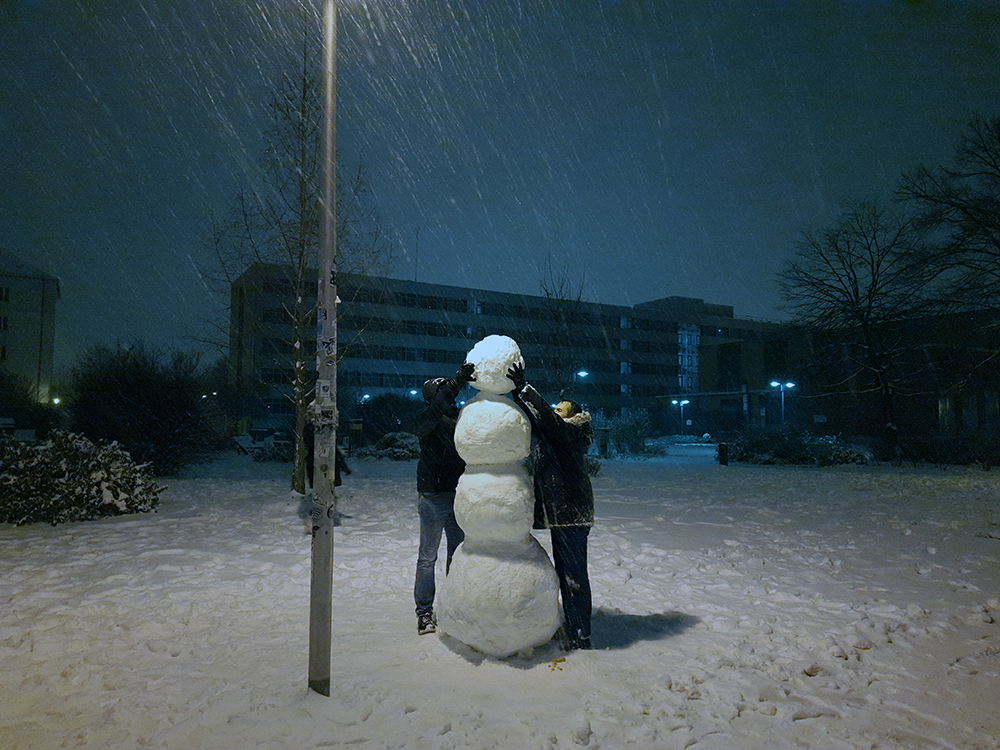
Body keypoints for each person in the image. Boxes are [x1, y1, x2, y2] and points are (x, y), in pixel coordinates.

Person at [508, 361, 594, 650]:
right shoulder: (557, 433)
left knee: (573, 575)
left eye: (561, 408)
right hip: (563, 514)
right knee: (566, 572)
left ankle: (580, 634)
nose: (556, 410)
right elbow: (537, 419)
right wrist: (516, 393)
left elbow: (547, 419)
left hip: (571, 515)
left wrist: (525, 388)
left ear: (573, 416)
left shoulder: (571, 434)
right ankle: (574, 626)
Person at [413, 362, 475, 635]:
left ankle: (453, 604)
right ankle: (424, 612)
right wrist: (459, 380)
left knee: (458, 554)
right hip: (433, 496)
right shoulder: (427, 418)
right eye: (444, 391)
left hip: (458, 494)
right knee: (427, 557)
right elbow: (439, 406)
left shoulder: (459, 418)